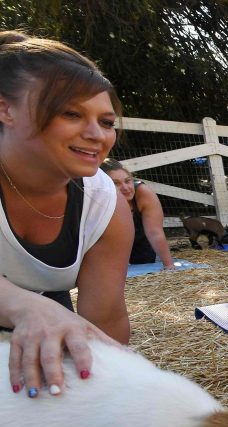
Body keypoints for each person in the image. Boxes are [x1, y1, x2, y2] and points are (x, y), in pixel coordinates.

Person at [0, 30, 133, 399]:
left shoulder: (104, 203)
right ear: (5, 109)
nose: (95, 135)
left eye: (106, 122)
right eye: (71, 113)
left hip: (49, 314)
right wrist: (25, 307)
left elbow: (104, 322)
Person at [100, 159, 174, 268]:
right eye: (116, 183)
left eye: (127, 181)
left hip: (140, 243)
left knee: (144, 262)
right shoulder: (95, 198)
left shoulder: (143, 192)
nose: (125, 188)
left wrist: (169, 265)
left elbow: (155, 232)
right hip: (108, 246)